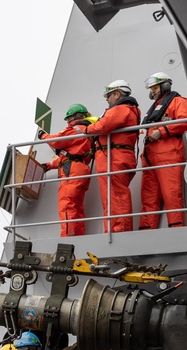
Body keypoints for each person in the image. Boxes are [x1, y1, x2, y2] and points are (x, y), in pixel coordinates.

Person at [76, 80, 141, 232]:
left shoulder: (122, 109)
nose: (107, 99)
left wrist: (85, 130)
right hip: (115, 156)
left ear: (117, 94)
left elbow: (103, 125)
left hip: (114, 158)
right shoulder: (129, 109)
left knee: (115, 197)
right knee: (112, 197)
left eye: (109, 95)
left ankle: (118, 233)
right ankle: (113, 231)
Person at [139, 72, 187, 229]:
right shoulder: (156, 107)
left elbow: (186, 120)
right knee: (148, 198)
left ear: (165, 86)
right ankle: (146, 233)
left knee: (171, 196)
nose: (153, 91)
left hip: (168, 156)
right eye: (152, 88)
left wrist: (161, 131)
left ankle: (176, 231)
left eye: (155, 87)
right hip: (150, 158)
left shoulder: (177, 101)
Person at [38, 103, 94, 237]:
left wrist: (43, 136)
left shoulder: (76, 129)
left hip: (72, 171)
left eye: (68, 119)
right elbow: (70, 156)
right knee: (77, 206)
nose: (68, 121)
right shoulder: (87, 131)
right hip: (81, 169)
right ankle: (78, 235)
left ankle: (68, 237)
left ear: (74, 117)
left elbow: (57, 141)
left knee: (67, 203)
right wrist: (49, 165)